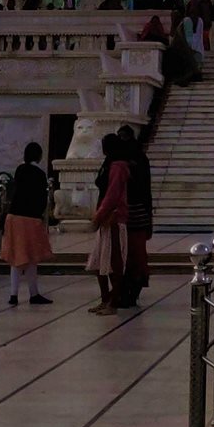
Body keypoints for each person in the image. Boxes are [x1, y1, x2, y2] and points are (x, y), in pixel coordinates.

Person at [0, 142, 53, 306]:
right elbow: (41, 198)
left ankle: (13, 294)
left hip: (14, 216)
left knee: (16, 256)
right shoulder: (39, 173)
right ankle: (33, 293)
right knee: (31, 257)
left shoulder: (20, 170)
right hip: (30, 218)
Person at [86, 135, 129, 314]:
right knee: (99, 263)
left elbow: (113, 195)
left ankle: (113, 303)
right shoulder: (109, 164)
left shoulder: (118, 167)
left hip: (114, 218)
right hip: (105, 218)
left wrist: (99, 215)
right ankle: (105, 299)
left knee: (113, 263)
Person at [115, 124, 153, 307]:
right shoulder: (120, 161)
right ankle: (125, 290)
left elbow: (146, 188)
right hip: (125, 212)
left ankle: (133, 290)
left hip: (137, 212)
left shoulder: (138, 159)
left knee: (136, 255)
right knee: (124, 255)